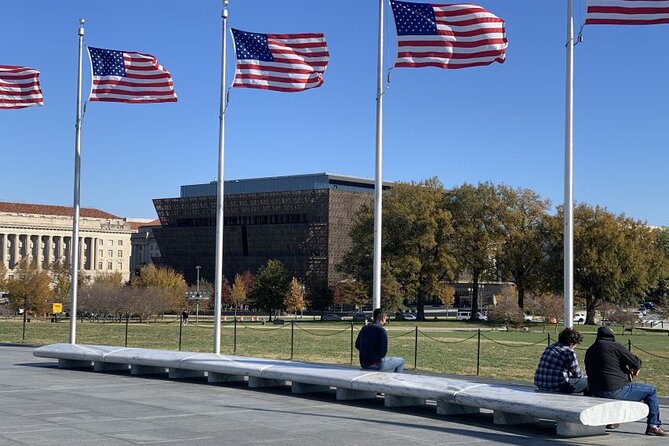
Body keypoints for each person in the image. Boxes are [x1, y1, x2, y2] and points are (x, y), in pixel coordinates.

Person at [585, 326, 665, 437]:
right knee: (651, 390)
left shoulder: (591, 350)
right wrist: (634, 368)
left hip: (595, 391)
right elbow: (636, 362)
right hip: (614, 391)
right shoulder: (615, 347)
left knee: (612, 387)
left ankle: (612, 420)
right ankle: (653, 426)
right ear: (611, 336)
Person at [534, 328, 588, 394]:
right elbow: (577, 374)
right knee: (590, 382)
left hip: (541, 383)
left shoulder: (550, 347)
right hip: (557, 386)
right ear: (572, 343)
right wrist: (587, 376)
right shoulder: (568, 352)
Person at [354, 308, 405, 373]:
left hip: (364, 364)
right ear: (382, 318)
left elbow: (357, 345)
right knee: (401, 361)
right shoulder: (381, 330)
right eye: (385, 317)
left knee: (389, 360)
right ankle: (397, 381)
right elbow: (383, 352)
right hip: (377, 364)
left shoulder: (364, 328)